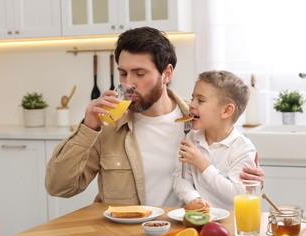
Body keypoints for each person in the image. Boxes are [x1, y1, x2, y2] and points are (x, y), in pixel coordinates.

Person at [45, 26, 264, 207]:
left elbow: (230, 172)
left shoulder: (199, 120)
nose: (128, 83)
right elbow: (59, 187)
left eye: (140, 74)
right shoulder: (108, 126)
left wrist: (250, 183)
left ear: (167, 73)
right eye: (123, 73)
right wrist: (88, 128)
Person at [173, 70, 257, 210]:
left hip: (230, 225)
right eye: (192, 98)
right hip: (197, 218)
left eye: (200, 100)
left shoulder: (243, 148)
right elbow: (181, 177)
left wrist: (202, 164)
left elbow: (238, 195)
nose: (191, 105)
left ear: (226, 111)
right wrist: (194, 199)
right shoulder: (190, 137)